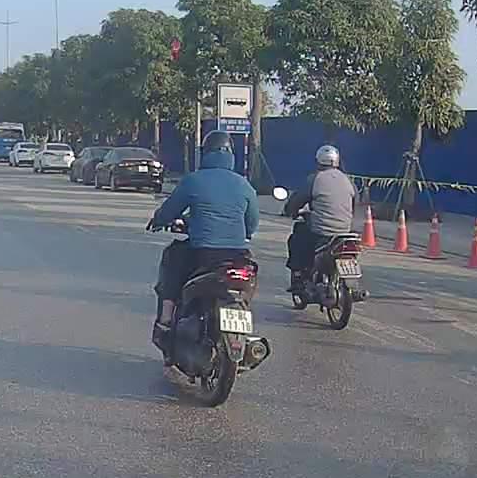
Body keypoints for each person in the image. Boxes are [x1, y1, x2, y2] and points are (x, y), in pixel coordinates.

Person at [148, 131, 259, 345]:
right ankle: (243, 317)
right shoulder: (244, 184)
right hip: (238, 255)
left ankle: (166, 319)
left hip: (202, 254)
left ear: (205, 153)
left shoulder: (193, 181)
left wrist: (159, 220)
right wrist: (243, 233)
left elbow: (170, 210)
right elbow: (252, 222)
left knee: (173, 258)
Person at [283, 145, 356, 291]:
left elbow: (298, 199)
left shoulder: (315, 179)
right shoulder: (348, 180)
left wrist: (290, 211)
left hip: (322, 231)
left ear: (318, 161)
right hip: (344, 231)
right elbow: (354, 203)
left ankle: (298, 274)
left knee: (297, 235)